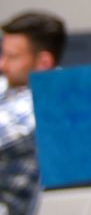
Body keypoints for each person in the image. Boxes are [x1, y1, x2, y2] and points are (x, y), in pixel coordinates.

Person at [1, 11, 67, 215]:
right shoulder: (12, 85)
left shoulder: (47, 103)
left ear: (43, 62)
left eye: (12, 57)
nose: (2, 65)